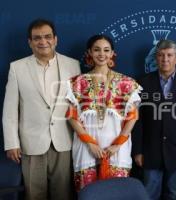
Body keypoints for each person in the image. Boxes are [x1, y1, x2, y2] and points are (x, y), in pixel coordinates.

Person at [2, 19, 81, 200]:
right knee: (34, 194)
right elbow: (10, 110)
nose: (42, 42)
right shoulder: (17, 67)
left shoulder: (73, 65)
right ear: (30, 42)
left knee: (63, 194)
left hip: (64, 141)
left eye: (47, 37)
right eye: (37, 38)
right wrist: (12, 143)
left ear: (55, 40)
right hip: (31, 142)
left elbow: (76, 105)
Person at [66, 34, 142, 191]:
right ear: (89, 53)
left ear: (112, 53)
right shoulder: (77, 82)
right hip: (86, 149)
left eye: (106, 50)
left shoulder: (126, 83)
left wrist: (116, 145)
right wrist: (91, 144)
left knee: (116, 193)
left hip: (117, 150)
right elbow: (72, 117)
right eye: (97, 50)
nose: (102, 54)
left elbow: (133, 117)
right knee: (89, 193)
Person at [132, 39, 176, 200]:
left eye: (170, 55)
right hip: (150, 153)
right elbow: (137, 121)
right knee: (148, 195)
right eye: (161, 55)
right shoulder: (141, 83)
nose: (165, 59)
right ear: (156, 58)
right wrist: (137, 151)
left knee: (174, 194)